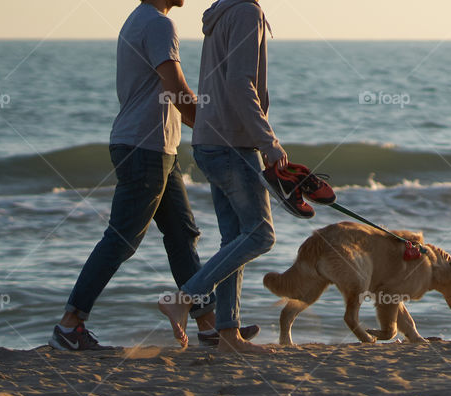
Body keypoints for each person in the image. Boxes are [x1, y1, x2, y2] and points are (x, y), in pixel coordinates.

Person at [49, 0, 258, 351]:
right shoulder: (160, 25)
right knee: (122, 238)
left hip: (159, 147)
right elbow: (174, 85)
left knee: (181, 234)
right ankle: (70, 325)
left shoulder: (139, 19)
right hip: (144, 147)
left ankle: (207, 324)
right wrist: (213, 126)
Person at [158, 0, 290, 354]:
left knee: (234, 237)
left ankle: (229, 333)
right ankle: (184, 298)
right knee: (261, 235)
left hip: (208, 140)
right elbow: (239, 84)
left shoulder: (222, 13)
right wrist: (269, 142)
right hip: (232, 143)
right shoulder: (247, 12)